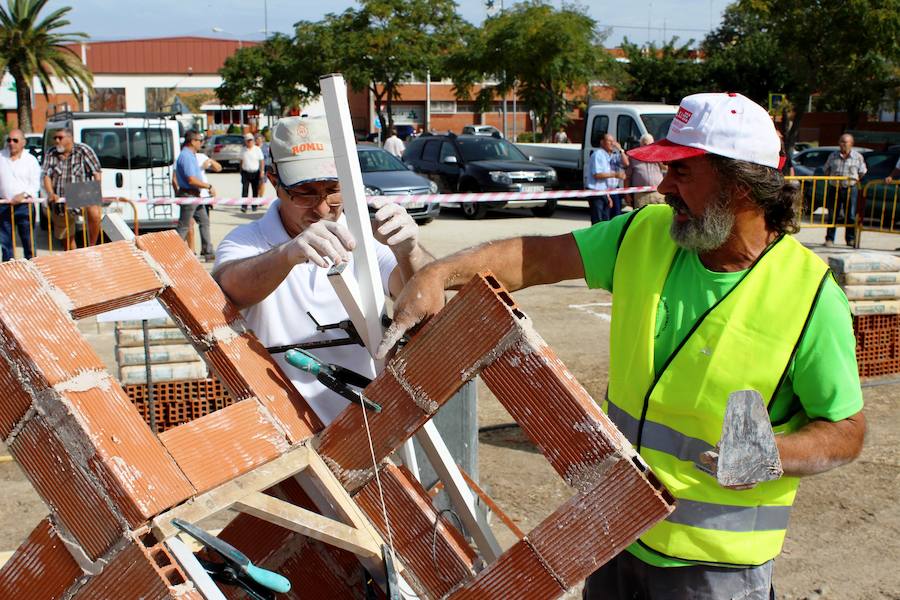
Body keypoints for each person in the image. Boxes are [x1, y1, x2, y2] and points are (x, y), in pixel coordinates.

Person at [378, 92, 865, 600]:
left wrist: (773, 454)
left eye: (682, 172)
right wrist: (439, 272)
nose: (664, 187)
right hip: (617, 535)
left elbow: (846, 430)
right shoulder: (646, 233)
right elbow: (538, 257)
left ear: (740, 185)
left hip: (715, 569)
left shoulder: (809, 296)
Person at [212, 116, 432, 424]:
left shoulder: (363, 236)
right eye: (305, 192)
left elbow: (425, 301)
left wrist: (410, 252)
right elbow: (228, 290)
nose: (321, 207)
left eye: (332, 189)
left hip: (366, 424)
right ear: (275, 182)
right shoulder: (246, 242)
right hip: (282, 429)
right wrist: (287, 254)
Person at [42, 128, 102, 250]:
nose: (57, 141)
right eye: (55, 138)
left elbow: (96, 172)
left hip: (79, 192)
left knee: (94, 214)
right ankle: (74, 257)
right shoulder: (51, 153)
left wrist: (96, 192)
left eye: (60, 138)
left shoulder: (83, 150)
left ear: (70, 138)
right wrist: (51, 193)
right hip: (60, 198)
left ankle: (92, 246)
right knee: (66, 238)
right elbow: (46, 175)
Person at [175, 131, 216, 262]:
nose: (201, 143)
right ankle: (173, 254)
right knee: (184, 227)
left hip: (194, 195)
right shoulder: (186, 156)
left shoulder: (191, 155)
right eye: (199, 140)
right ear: (192, 141)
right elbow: (191, 180)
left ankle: (208, 251)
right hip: (189, 195)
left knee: (204, 221)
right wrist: (208, 186)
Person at [0, 129, 40, 260]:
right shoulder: (1, 157)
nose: (11, 143)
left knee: (29, 242)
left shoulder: (31, 160)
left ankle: (32, 267)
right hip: (4, 206)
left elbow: (35, 184)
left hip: (24, 206)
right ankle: (9, 269)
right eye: (9, 140)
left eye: (15, 140)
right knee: (6, 244)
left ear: (23, 142)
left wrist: (23, 195)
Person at [822, 133, 867, 247]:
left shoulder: (858, 157)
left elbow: (862, 172)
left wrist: (853, 180)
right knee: (833, 214)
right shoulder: (833, 156)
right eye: (841, 141)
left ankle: (850, 239)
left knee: (850, 215)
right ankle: (829, 239)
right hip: (835, 188)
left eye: (845, 142)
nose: (842, 144)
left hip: (850, 188)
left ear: (851, 143)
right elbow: (826, 170)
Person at [585, 133, 629, 224]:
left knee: (613, 219)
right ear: (602, 142)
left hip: (610, 191)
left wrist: (621, 150)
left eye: (613, 141)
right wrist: (615, 175)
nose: (612, 143)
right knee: (599, 221)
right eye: (609, 141)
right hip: (597, 192)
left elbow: (626, 163)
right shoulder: (598, 155)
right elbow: (597, 175)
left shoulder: (613, 156)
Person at [625, 133, 664, 208]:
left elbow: (666, 168)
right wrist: (627, 195)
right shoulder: (633, 158)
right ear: (641, 145)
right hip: (641, 196)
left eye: (650, 144)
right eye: (645, 144)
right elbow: (627, 177)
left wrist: (658, 158)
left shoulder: (658, 156)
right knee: (642, 215)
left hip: (657, 193)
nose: (647, 147)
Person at [240, 133, 265, 212]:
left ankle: (254, 206)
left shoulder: (257, 149)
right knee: (245, 190)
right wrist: (241, 171)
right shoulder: (243, 150)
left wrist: (262, 171)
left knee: (255, 190)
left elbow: (261, 161)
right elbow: (241, 161)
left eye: (251, 140)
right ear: (245, 141)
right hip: (245, 172)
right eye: (248, 140)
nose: (250, 142)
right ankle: (244, 206)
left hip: (255, 172)